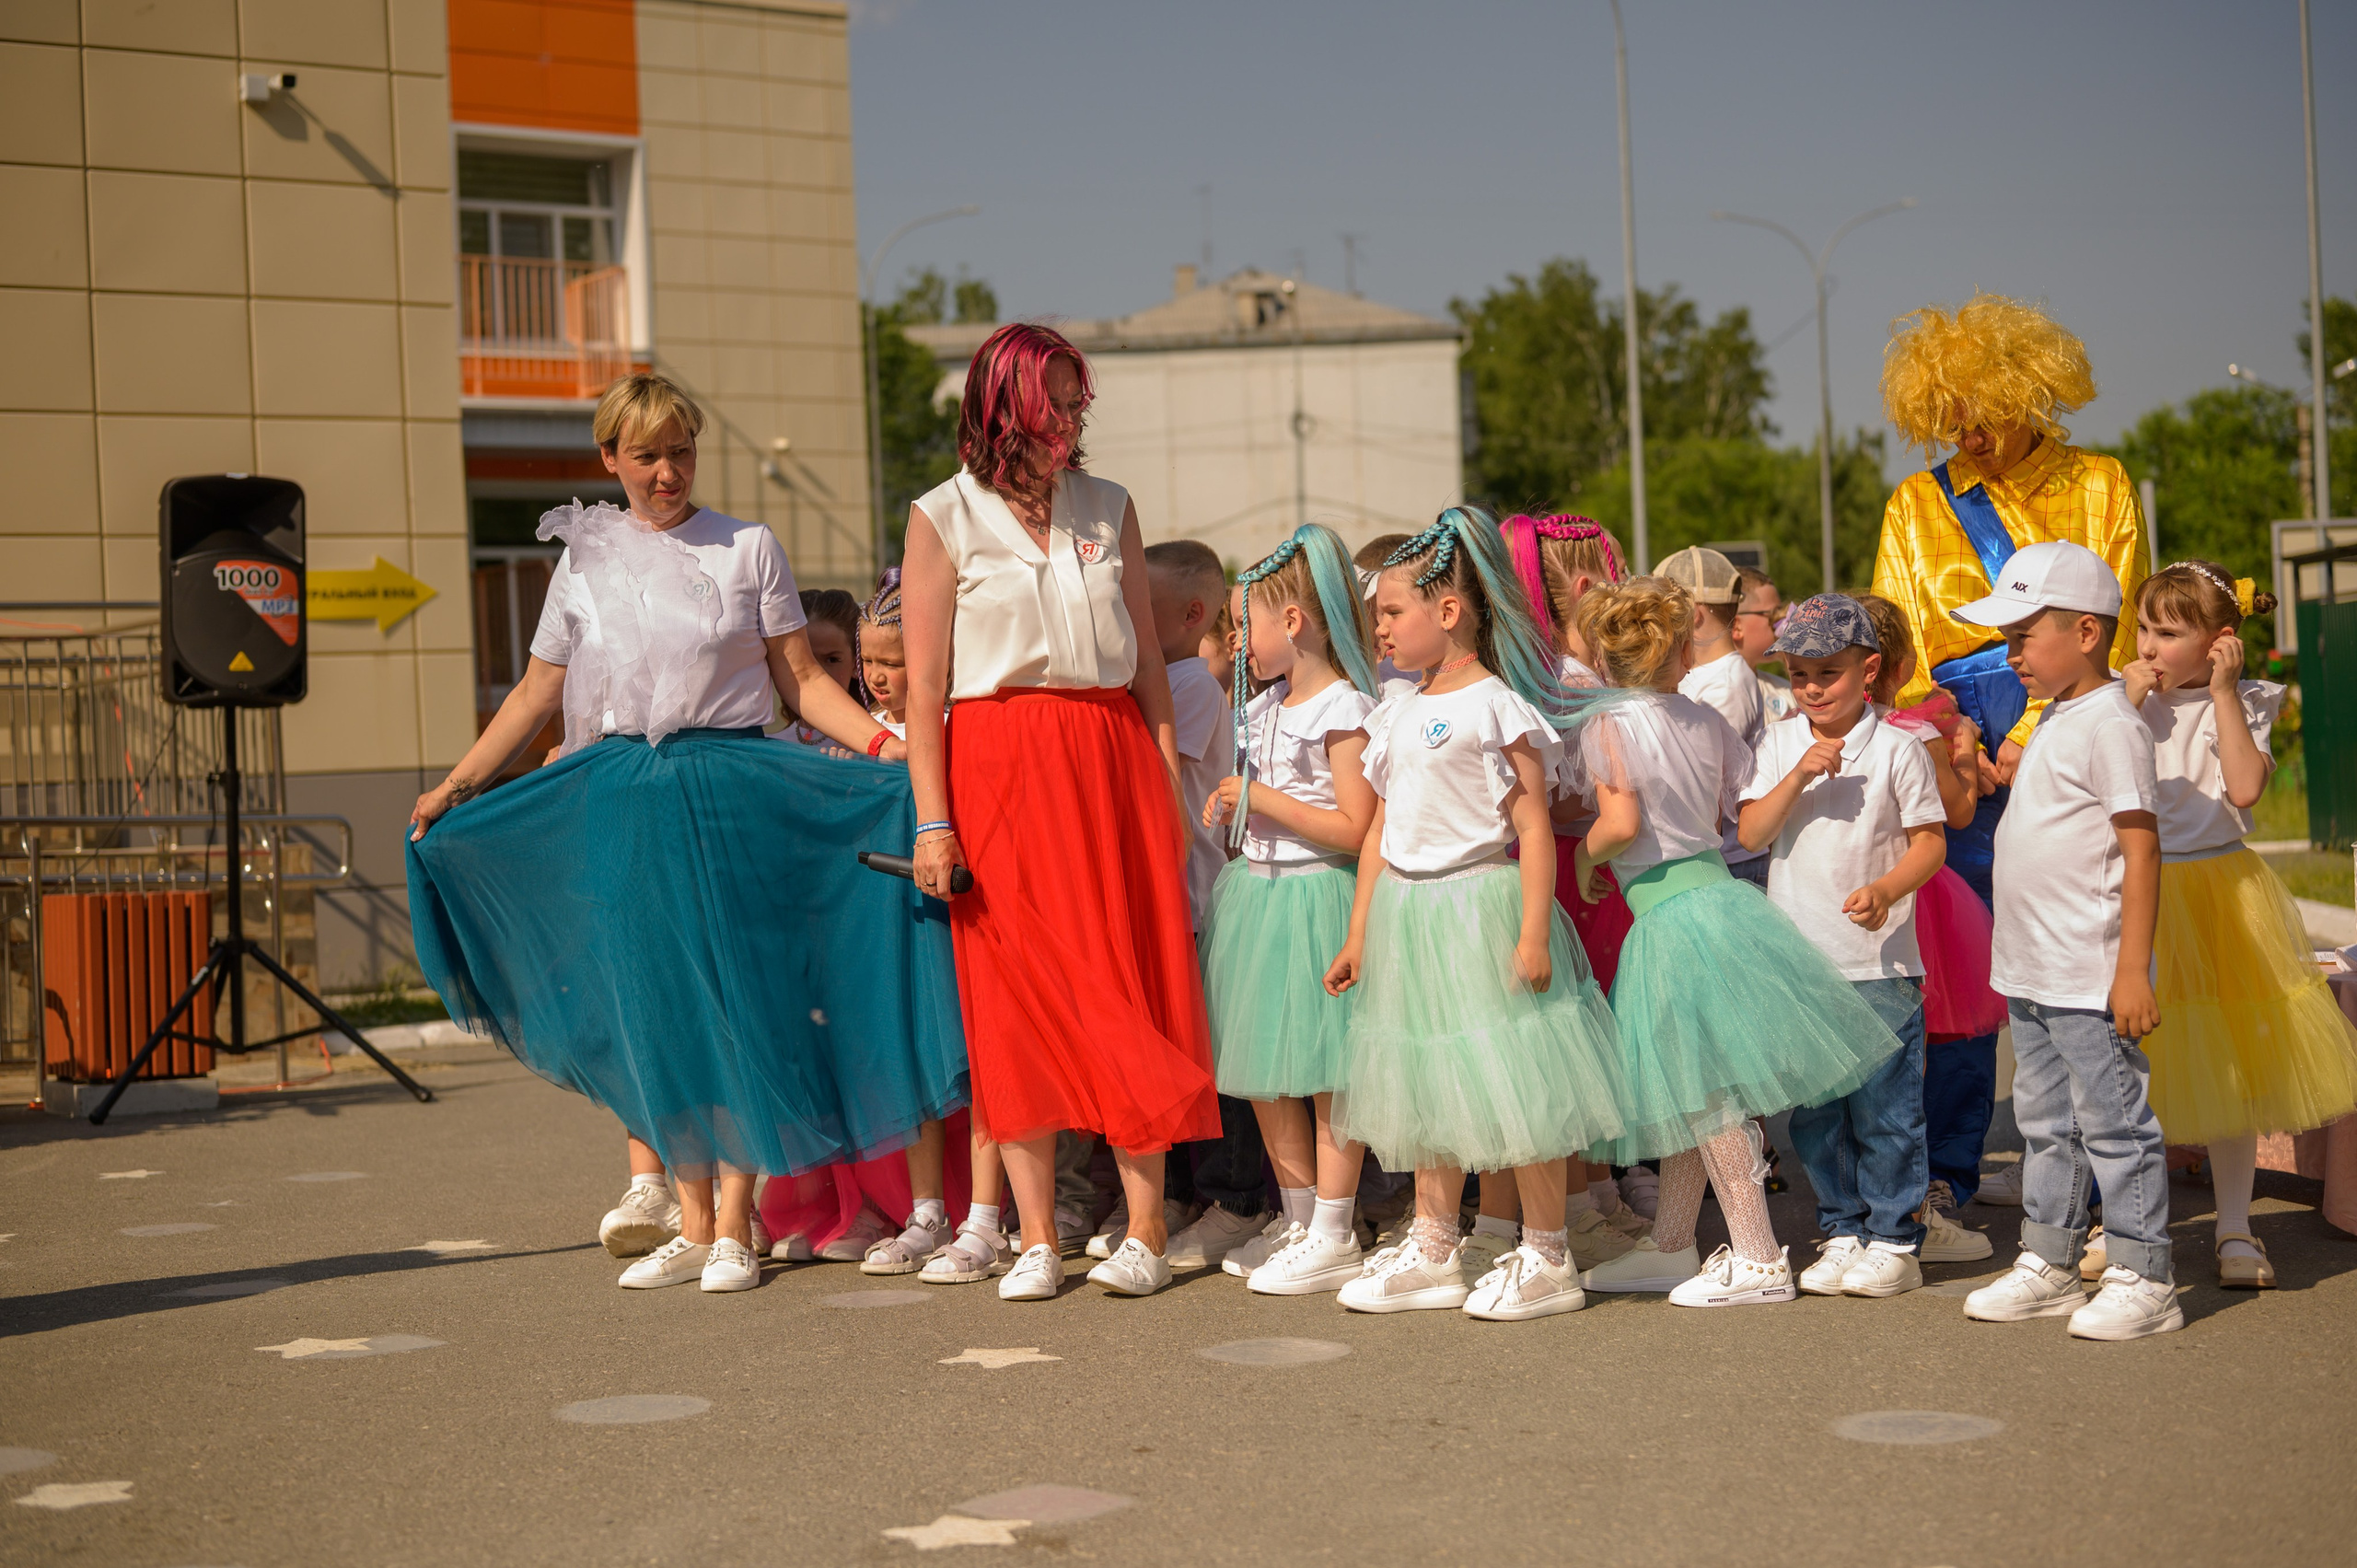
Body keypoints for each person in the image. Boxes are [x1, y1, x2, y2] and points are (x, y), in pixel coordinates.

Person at [406, 372, 961, 1297]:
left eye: (683, 451)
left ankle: (740, 1225)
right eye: (649, 454)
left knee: (738, 997)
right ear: (611, 459)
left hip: (726, 788)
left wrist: (887, 747)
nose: (668, 472)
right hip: (621, 796)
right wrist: (461, 782)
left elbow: (800, 679)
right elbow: (539, 690)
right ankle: (694, 1223)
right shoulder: (582, 558)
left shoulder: (746, 545)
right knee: (656, 1003)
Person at [900, 322, 1221, 1303]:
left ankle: (1146, 1228)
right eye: (1062, 398)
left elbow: (1149, 675)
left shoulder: (1108, 506)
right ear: (1011, 405)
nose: (1079, 415)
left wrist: (1165, 780)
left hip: (1107, 752)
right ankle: (1036, 1236)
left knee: (1128, 979)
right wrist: (932, 820)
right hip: (994, 762)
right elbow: (922, 695)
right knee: (1016, 999)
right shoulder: (941, 515)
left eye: (1081, 398)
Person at [1873, 293, 2148, 1211]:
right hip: (1957, 747)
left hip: (2068, 724)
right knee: (1959, 968)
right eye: (1945, 413)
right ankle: (1950, 1168)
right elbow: (1902, 644)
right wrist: (1956, 739)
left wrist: (2027, 733)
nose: (1963, 429)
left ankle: (2102, 1177)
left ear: (2031, 389)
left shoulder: (2102, 483)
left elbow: (2113, 627)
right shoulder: (1916, 502)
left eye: (1979, 406)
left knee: (2076, 958)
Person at [1324, 507, 1631, 1322]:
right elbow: (1381, 832)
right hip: (1410, 914)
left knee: (1513, 1084)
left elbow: (1533, 829)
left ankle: (1547, 1251)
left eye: (1392, 612)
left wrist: (1534, 930)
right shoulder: (1393, 710)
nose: (1380, 628)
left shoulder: (1497, 706)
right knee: (1427, 1078)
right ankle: (1432, 1241)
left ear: (1448, 612)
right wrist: (1360, 931)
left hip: (1481, 909)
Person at [1568, 578, 1904, 1307]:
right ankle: (1670, 1245)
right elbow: (1741, 811)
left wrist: (1584, 857)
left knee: (1708, 1092)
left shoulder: (1606, 723)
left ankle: (1756, 1254)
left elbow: (1621, 824)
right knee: (1691, 1084)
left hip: (1672, 919)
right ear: (1677, 647)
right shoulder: (1702, 718)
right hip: (1717, 898)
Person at [1949, 542, 2177, 1340]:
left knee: (2115, 1126)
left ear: (2086, 631)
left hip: (2090, 970)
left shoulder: (2113, 722)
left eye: (2022, 637)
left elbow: (2140, 847)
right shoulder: (2056, 716)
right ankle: (2050, 1259)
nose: (2010, 656)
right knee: (2048, 1125)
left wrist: (2130, 971)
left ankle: (2146, 1272)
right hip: (2036, 968)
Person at [2125, 560, 2357, 1289]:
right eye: (2143, 628)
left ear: (2220, 642)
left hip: (2223, 897)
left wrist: (2224, 691)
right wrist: (2122, 707)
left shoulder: (2244, 699)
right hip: (2142, 893)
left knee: (2227, 1066)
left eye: (2170, 632)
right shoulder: (2119, 700)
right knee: (2133, 1069)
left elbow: (2247, 785)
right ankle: (2130, 1223)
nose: (2151, 645)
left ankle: (2234, 1226)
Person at [1734, 596, 1946, 1299]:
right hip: (1800, 961)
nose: (1813, 688)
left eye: (1828, 671)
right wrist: (1796, 773)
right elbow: (1754, 833)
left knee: (1886, 1109)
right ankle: (1843, 1227)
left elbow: (1931, 843)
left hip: (1880, 962)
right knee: (1818, 1112)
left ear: (1869, 669)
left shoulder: (1899, 747)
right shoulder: (1775, 741)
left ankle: (1895, 1237)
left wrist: (1888, 888)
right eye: (1798, 674)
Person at [1193, 524, 1382, 1293]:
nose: (1236, 642)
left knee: (1329, 1070)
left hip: (1319, 897)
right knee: (1270, 1071)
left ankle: (1336, 1226)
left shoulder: (1342, 704)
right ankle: (1300, 1218)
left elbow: (1355, 824)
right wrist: (1237, 812)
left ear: (1294, 621)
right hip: (1262, 898)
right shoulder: (1264, 704)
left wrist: (1262, 799)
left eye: (1246, 624)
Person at [1499, 511, 1650, 1265]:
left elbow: (1573, 794)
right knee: (1585, 1029)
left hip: (1562, 861)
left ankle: (1593, 1198)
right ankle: (1595, 1196)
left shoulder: (1546, 676)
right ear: (1589, 586)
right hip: (1574, 866)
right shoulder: (1576, 678)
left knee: (1569, 1031)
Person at [1852, 591, 2003, 1265]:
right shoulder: (1924, 727)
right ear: (1905, 661)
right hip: (1929, 895)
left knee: (1875, 1049)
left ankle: (1870, 1188)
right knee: (1938, 1047)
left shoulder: (1829, 732)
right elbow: (1959, 812)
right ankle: (1934, 1183)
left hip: (1859, 889)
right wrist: (1965, 754)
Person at [1654, 547, 1771, 891]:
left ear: (1695, 614)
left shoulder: (1727, 685)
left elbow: (1703, 783)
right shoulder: (1711, 675)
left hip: (1732, 862)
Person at [1732, 567, 1796, 724]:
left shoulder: (1786, 690)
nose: (1780, 623)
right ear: (1737, 627)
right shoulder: (1717, 691)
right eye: (1772, 614)